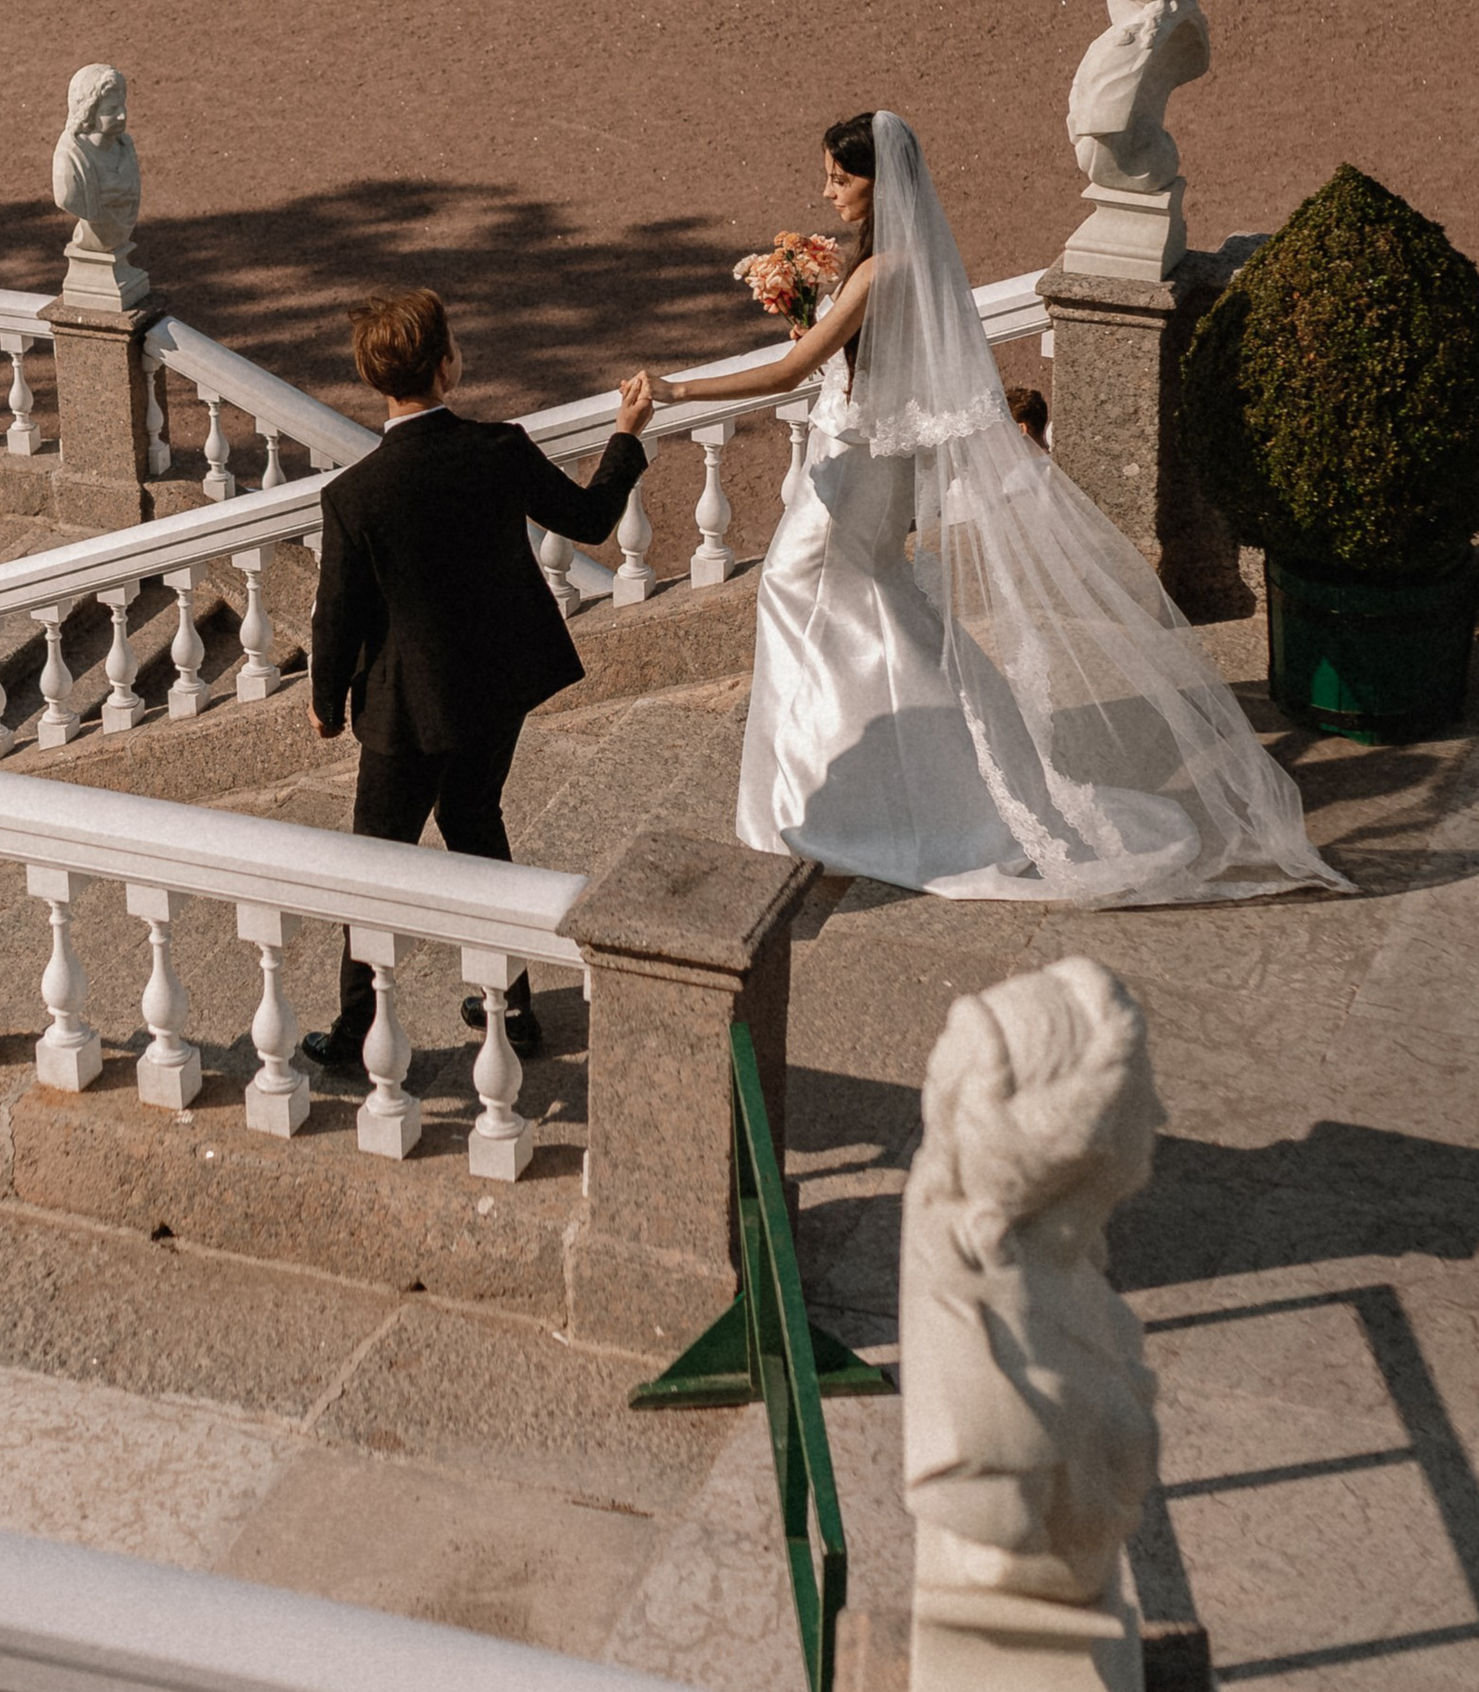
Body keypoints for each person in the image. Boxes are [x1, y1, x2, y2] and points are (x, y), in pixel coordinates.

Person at [675, 111, 1341, 904]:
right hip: (861, 465)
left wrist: (674, 392)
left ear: (882, 182)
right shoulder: (897, 262)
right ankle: (913, 776)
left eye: (841, 178)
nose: (827, 193)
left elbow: (791, 376)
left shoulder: (883, 268)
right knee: (868, 608)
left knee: (800, 592)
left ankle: (838, 799)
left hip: (850, 475)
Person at [304, 286, 656, 1067]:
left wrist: (326, 703)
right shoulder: (499, 449)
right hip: (498, 684)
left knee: (373, 861)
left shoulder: (353, 496)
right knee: (474, 823)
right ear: (447, 366)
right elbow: (593, 519)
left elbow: (340, 618)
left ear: (375, 379)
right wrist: (626, 433)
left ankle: (357, 1027)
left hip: (407, 708)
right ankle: (512, 1005)